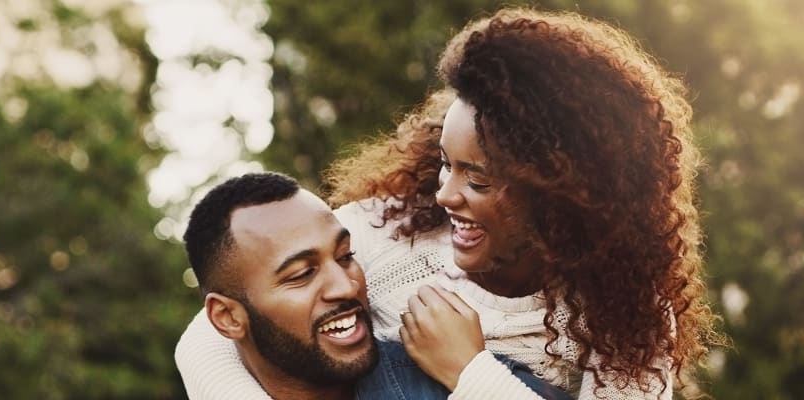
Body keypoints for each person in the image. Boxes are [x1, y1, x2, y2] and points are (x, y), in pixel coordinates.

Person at [181, 8, 719, 399]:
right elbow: (206, 340)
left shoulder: (625, 314)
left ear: (561, 194)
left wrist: (471, 373)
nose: (445, 194)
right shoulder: (387, 230)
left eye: (478, 181)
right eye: (445, 163)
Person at [178, 172, 568, 399]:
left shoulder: (464, 387)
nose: (345, 287)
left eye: (346, 255)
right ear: (227, 317)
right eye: (301, 275)